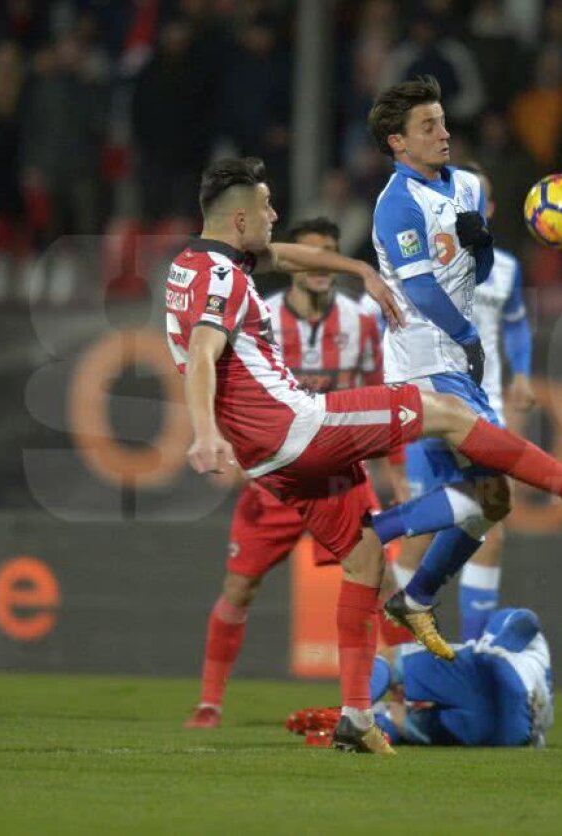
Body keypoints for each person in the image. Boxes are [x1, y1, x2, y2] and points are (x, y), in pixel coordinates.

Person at [166, 157, 562, 753]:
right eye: (268, 207)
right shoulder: (221, 276)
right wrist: (201, 431)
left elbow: (287, 258)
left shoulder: (197, 265)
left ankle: (356, 717)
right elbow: (201, 349)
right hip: (296, 428)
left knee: (365, 559)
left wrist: (357, 271)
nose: (276, 216)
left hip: (269, 459)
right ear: (240, 217)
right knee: (446, 413)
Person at [362, 76, 562, 651]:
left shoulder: (468, 186)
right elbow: (420, 290)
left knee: (493, 500)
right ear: (397, 142)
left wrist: (482, 242)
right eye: (428, 127)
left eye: (443, 121)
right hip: (422, 362)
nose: (444, 133)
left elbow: (482, 263)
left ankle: (406, 585)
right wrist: (469, 336)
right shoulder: (397, 205)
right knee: (489, 466)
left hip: (458, 363)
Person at [183, 216, 405, 729]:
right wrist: (228, 442)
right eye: (312, 253)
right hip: (275, 481)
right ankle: (210, 702)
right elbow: (221, 376)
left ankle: (403, 700)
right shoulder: (259, 314)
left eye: (329, 251)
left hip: (337, 474)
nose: (320, 264)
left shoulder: (362, 323)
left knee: (385, 582)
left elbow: (377, 392)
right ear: (295, 265)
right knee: (240, 588)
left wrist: (398, 473)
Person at [391, 161, 535, 641]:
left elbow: (514, 322)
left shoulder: (506, 267)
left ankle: (473, 653)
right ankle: (398, 657)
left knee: (492, 522)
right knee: (426, 530)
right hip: (432, 401)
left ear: (488, 207)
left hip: (485, 402)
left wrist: (523, 374)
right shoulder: (424, 255)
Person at [287, 607, 553, 748]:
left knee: (389, 661)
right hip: (514, 733)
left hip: (483, 675)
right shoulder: (538, 659)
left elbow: (522, 619)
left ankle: (353, 716)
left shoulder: (513, 650)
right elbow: (525, 621)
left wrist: (490, 647)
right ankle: (360, 725)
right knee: (399, 721)